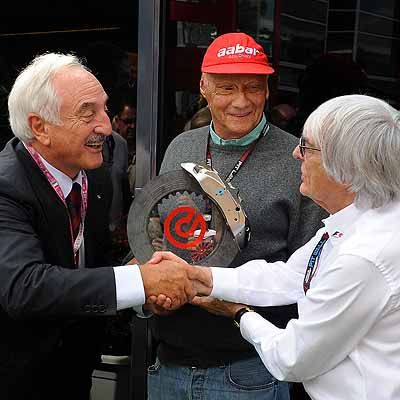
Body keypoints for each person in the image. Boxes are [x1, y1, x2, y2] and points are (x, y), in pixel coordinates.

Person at [152, 94, 400, 400]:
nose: (295, 153)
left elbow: (294, 358)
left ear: (345, 165)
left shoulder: (365, 255)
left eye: (307, 147)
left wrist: (238, 313)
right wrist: (201, 277)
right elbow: (290, 277)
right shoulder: (357, 220)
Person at [0, 52, 204, 400]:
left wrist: (142, 287)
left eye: (104, 109)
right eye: (87, 112)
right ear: (39, 127)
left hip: (74, 374)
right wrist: (140, 280)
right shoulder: (6, 186)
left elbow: (93, 270)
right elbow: (25, 287)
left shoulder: (96, 178)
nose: (106, 126)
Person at [147, 32, 327, 400]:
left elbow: (310, 274)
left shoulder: (297, 160)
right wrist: (151, 287)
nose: (241, 101)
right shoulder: (181, 146)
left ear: (267, 89)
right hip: (168, 365)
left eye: (253, 87)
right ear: (203, 87)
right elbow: (156, 230)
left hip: (250, 372)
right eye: (227, 88)